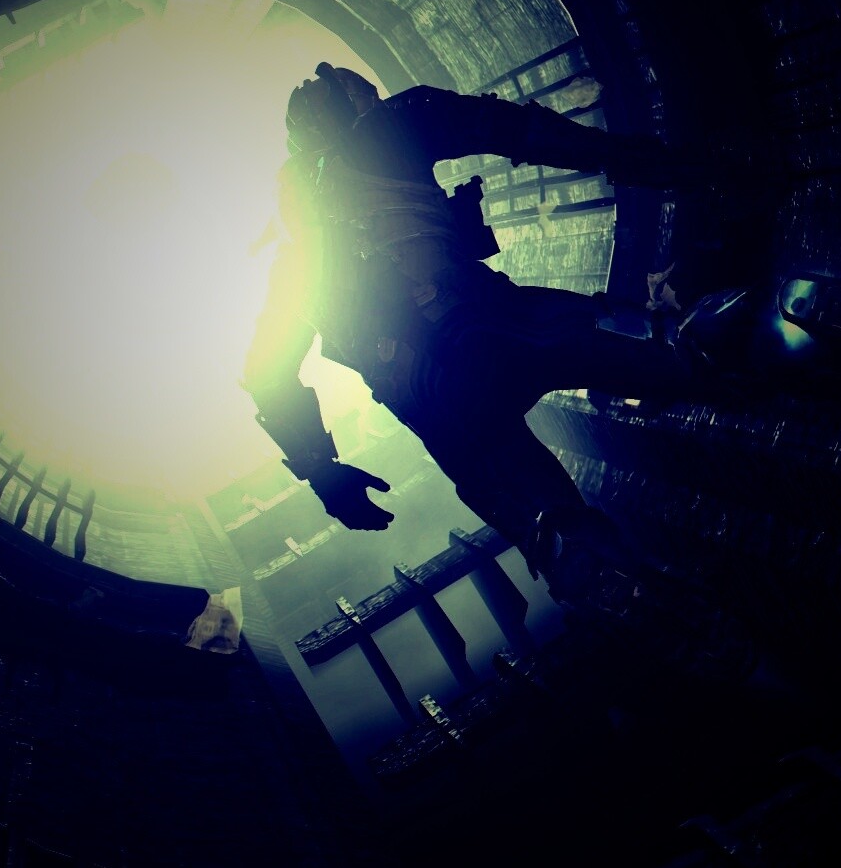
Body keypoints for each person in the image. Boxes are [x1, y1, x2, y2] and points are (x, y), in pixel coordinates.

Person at [240, 63, 717, 601]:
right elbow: (514, 130)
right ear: (344, 106)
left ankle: (640, 603)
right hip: (498, 329)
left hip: (442, 408)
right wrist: (645, 161)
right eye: (361, 92)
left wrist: (319, 468)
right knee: (695, 359)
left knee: (567, 544)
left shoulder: (292, 272)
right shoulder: (384, 128)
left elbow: (265, 376)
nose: (372, 98)